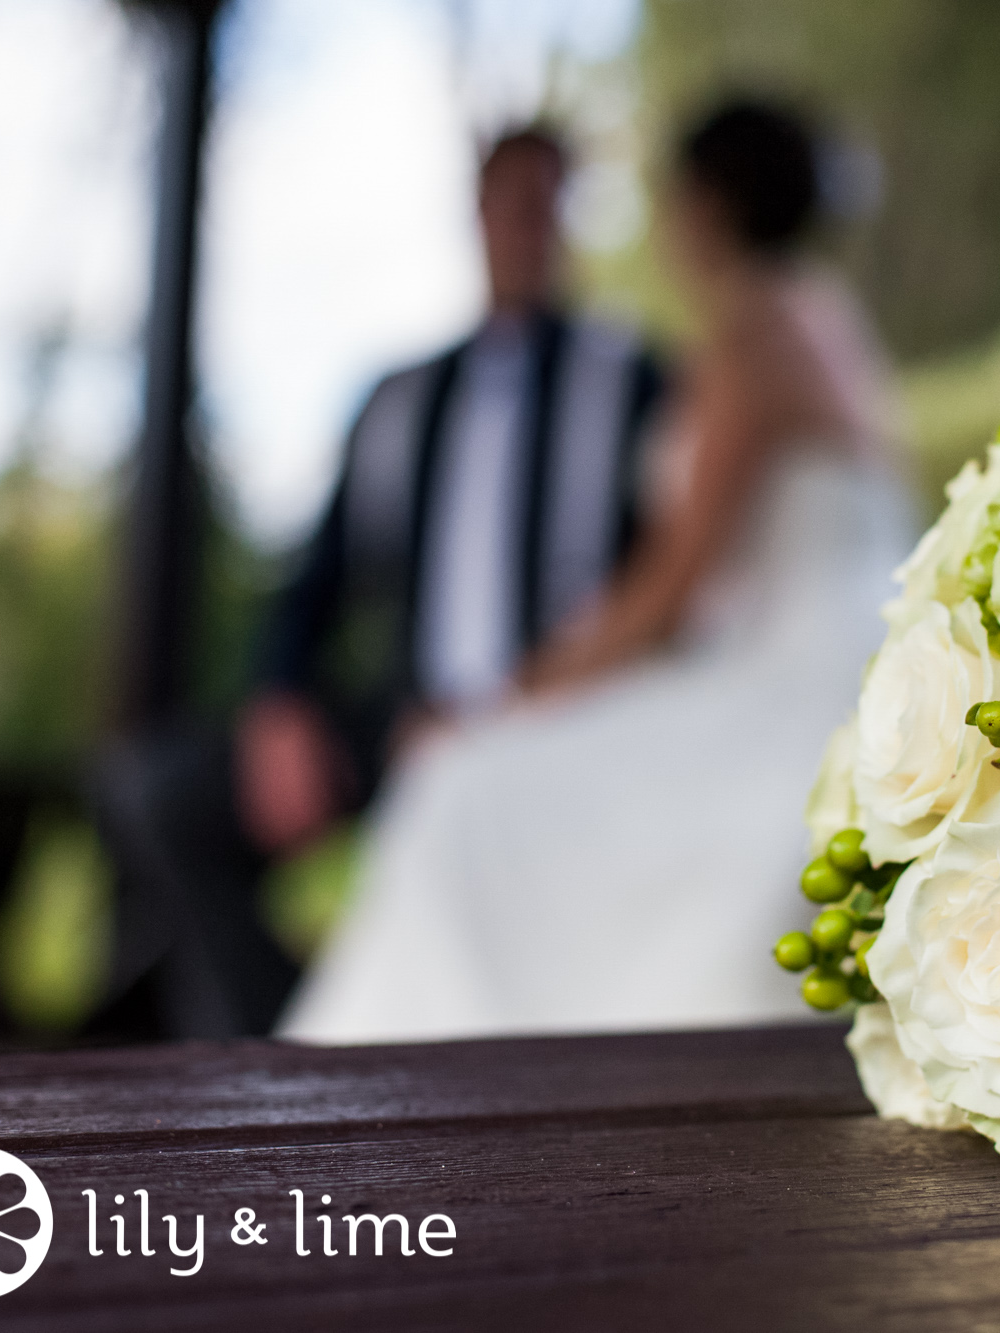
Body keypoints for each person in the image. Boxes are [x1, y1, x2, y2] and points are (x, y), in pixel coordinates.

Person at [280, 100, 915, 1043]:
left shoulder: (746, 340)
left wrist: (515, 691)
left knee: (464, 781)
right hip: (858, 658)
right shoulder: (823, 320)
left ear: (703, 206)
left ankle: (414, 1065)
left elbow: (667, 595)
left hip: (787, 683)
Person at [90, 126, 667, 1039]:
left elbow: (668, 582)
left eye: (545, 201)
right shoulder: (397, 398)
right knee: (160, 791)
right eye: (508, 200)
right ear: (476, 212)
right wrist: (280, 701)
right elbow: (315, 581)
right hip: (404, 717)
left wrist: (532, 699)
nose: (526, 222)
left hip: (570, 720)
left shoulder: (634, 380)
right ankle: (289, 1042)